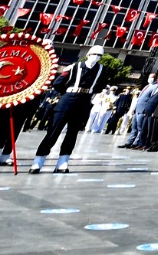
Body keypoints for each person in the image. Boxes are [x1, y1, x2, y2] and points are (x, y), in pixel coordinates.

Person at [30, 45, 113, 174]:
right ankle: (38, 161)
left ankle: (63, 162)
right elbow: (58, 83)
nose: (96, 57)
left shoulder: (101, 70)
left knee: (72, 134)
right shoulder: (74, 67)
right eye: (94, 54)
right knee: (53, 132)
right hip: (67, 100)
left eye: (99, 55)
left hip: (84, 101)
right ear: (88, 54)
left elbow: (100, 86)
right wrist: (67, 93)